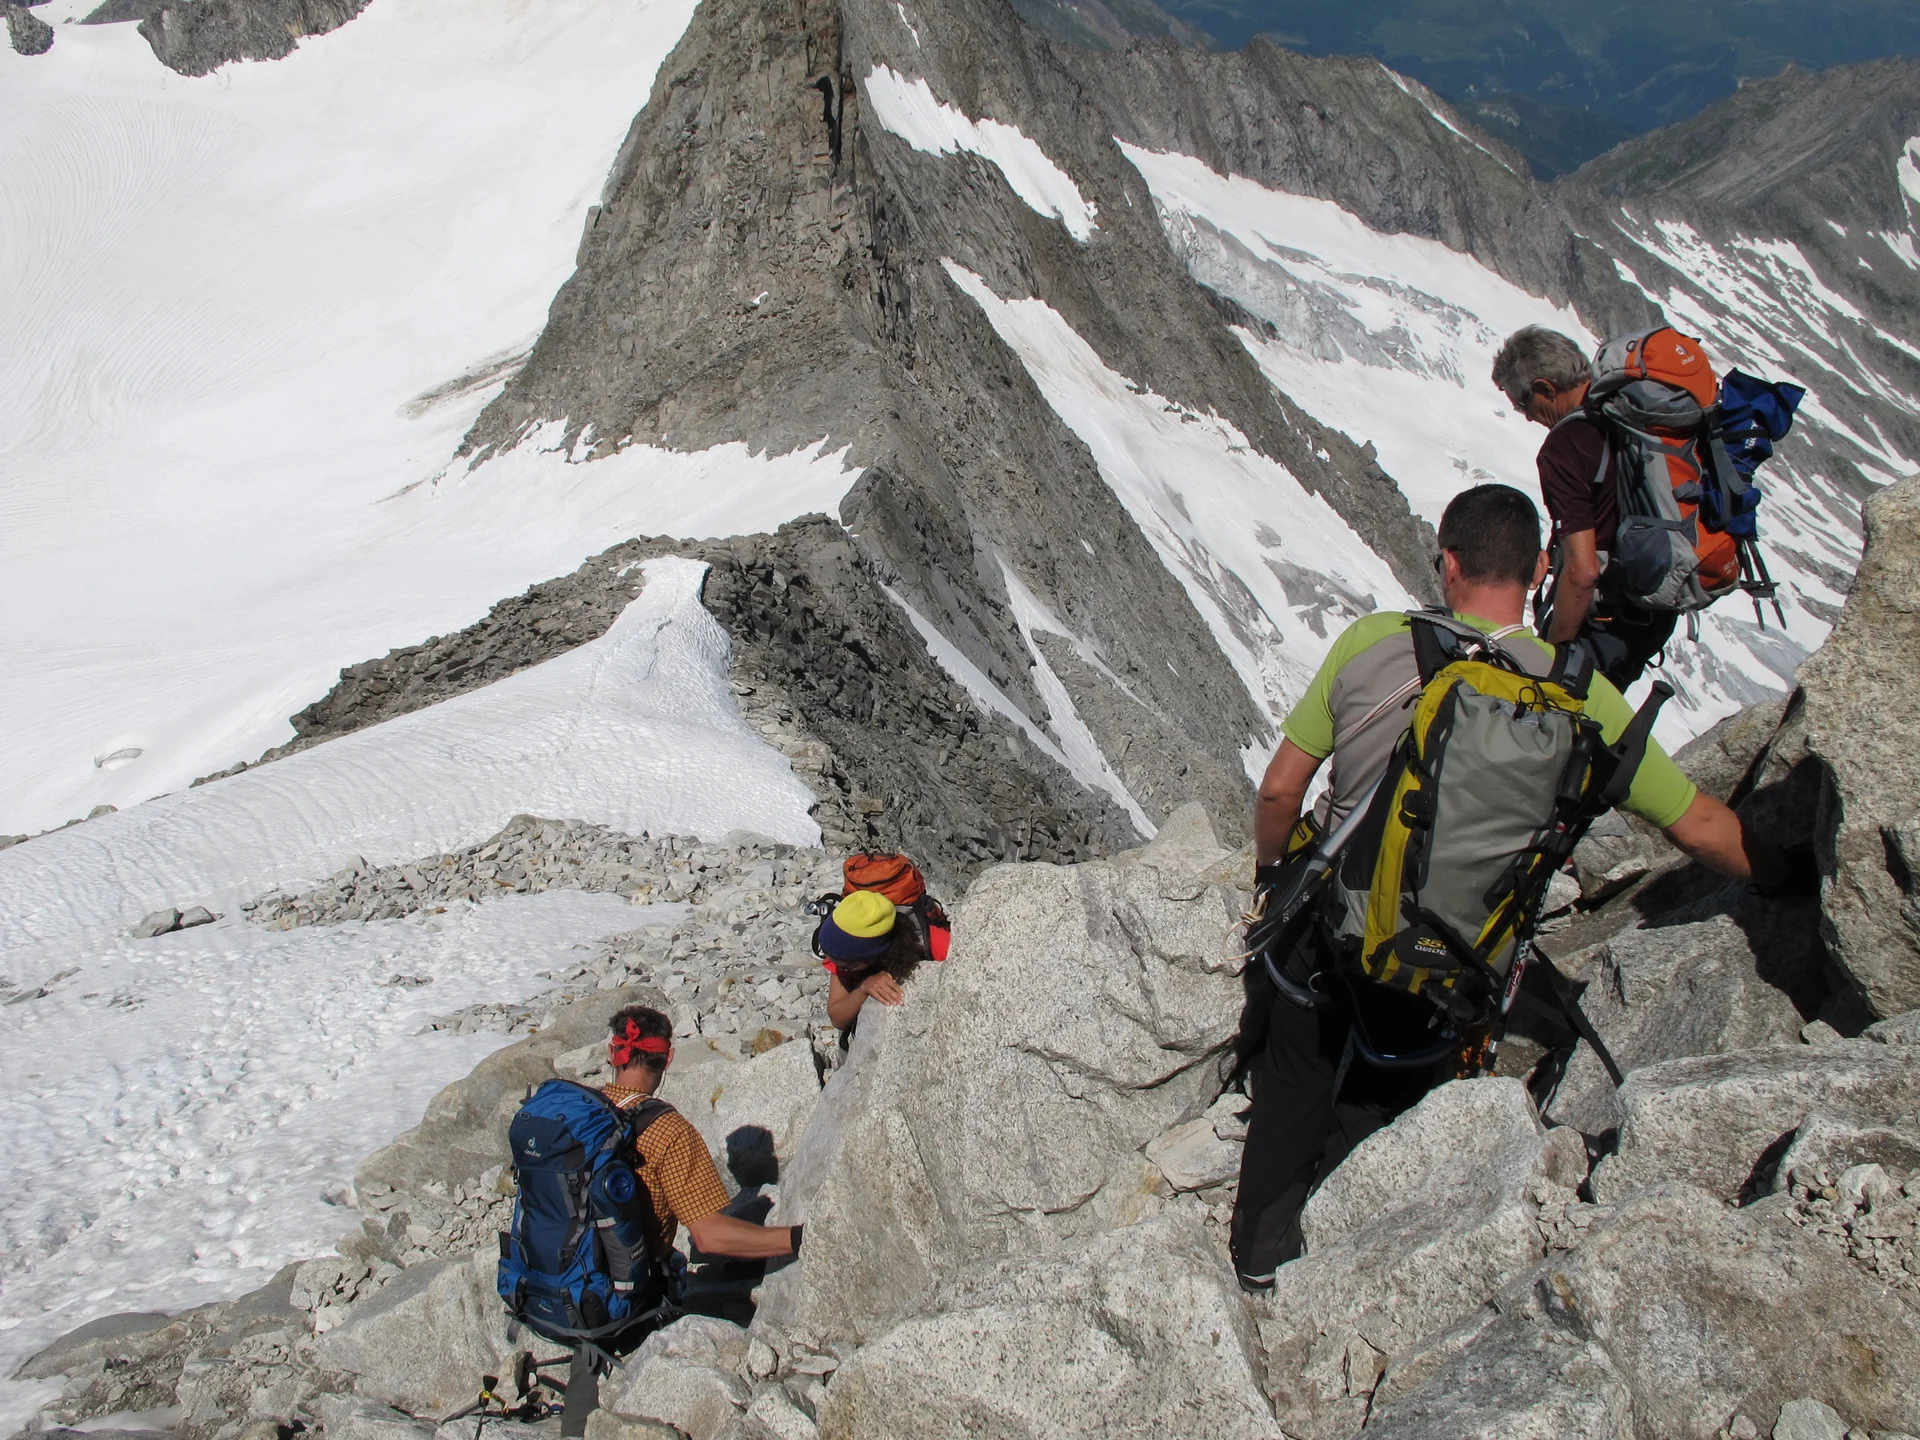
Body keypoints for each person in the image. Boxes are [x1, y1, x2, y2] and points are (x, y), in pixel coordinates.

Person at [1229, 483, 1791, 1291]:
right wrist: (1789, 873)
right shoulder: (1575, 691)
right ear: (1535, 573)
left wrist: (1271, 878)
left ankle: (1258, 1261)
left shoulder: (1376, 642)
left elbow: (1281, 791)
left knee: (1294, 1079)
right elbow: (1696, 824)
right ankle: (1339, 1269)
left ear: (1448, 562)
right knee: (1384, 1096)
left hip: (1332, 931)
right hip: (1455, 959)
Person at [1491, 325, 1678, 689]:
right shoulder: (1629, 413)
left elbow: (1582, 571)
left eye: (1523, 402)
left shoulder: (1565, 446)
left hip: (1603, 626)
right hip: (1654, 614)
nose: (1526, 416)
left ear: (1546, 387)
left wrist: (1552, 657)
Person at [600, 1005, 801, 1264]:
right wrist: (801, 1237)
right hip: (623, 1290)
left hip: (549, 1285)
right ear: (668, 1058)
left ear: (612, 1054)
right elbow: (709, 1236)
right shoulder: (667, 1130)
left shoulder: (576, 1113)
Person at [816, 889, 930, 1030]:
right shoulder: (844, 955)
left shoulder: (933, 944)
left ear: (873, 955)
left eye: (846, 966)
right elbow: (837, 1019)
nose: (836, 967)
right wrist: (863, 988)